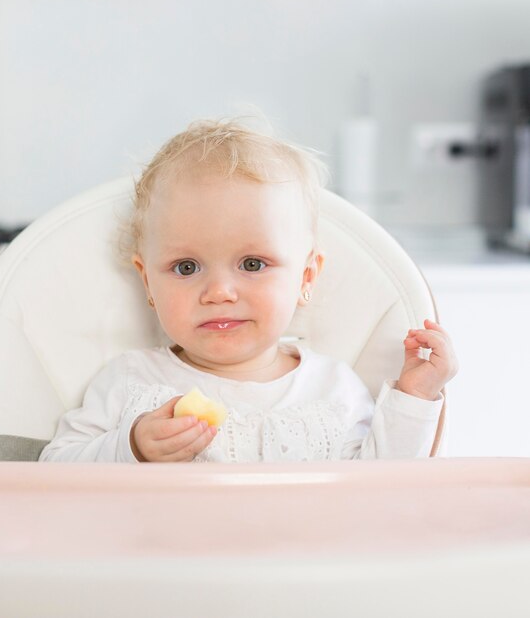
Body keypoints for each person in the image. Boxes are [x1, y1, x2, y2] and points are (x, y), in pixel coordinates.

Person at [39, 117, 458, 463]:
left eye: (253, 264)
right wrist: (130, 448)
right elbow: (53, 474)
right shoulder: (130, 383)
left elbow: (383, 491)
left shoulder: (332, 389)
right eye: (186, 267)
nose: (219, 291)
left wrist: (415, 396)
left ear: (306, 278)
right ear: (148, 281)